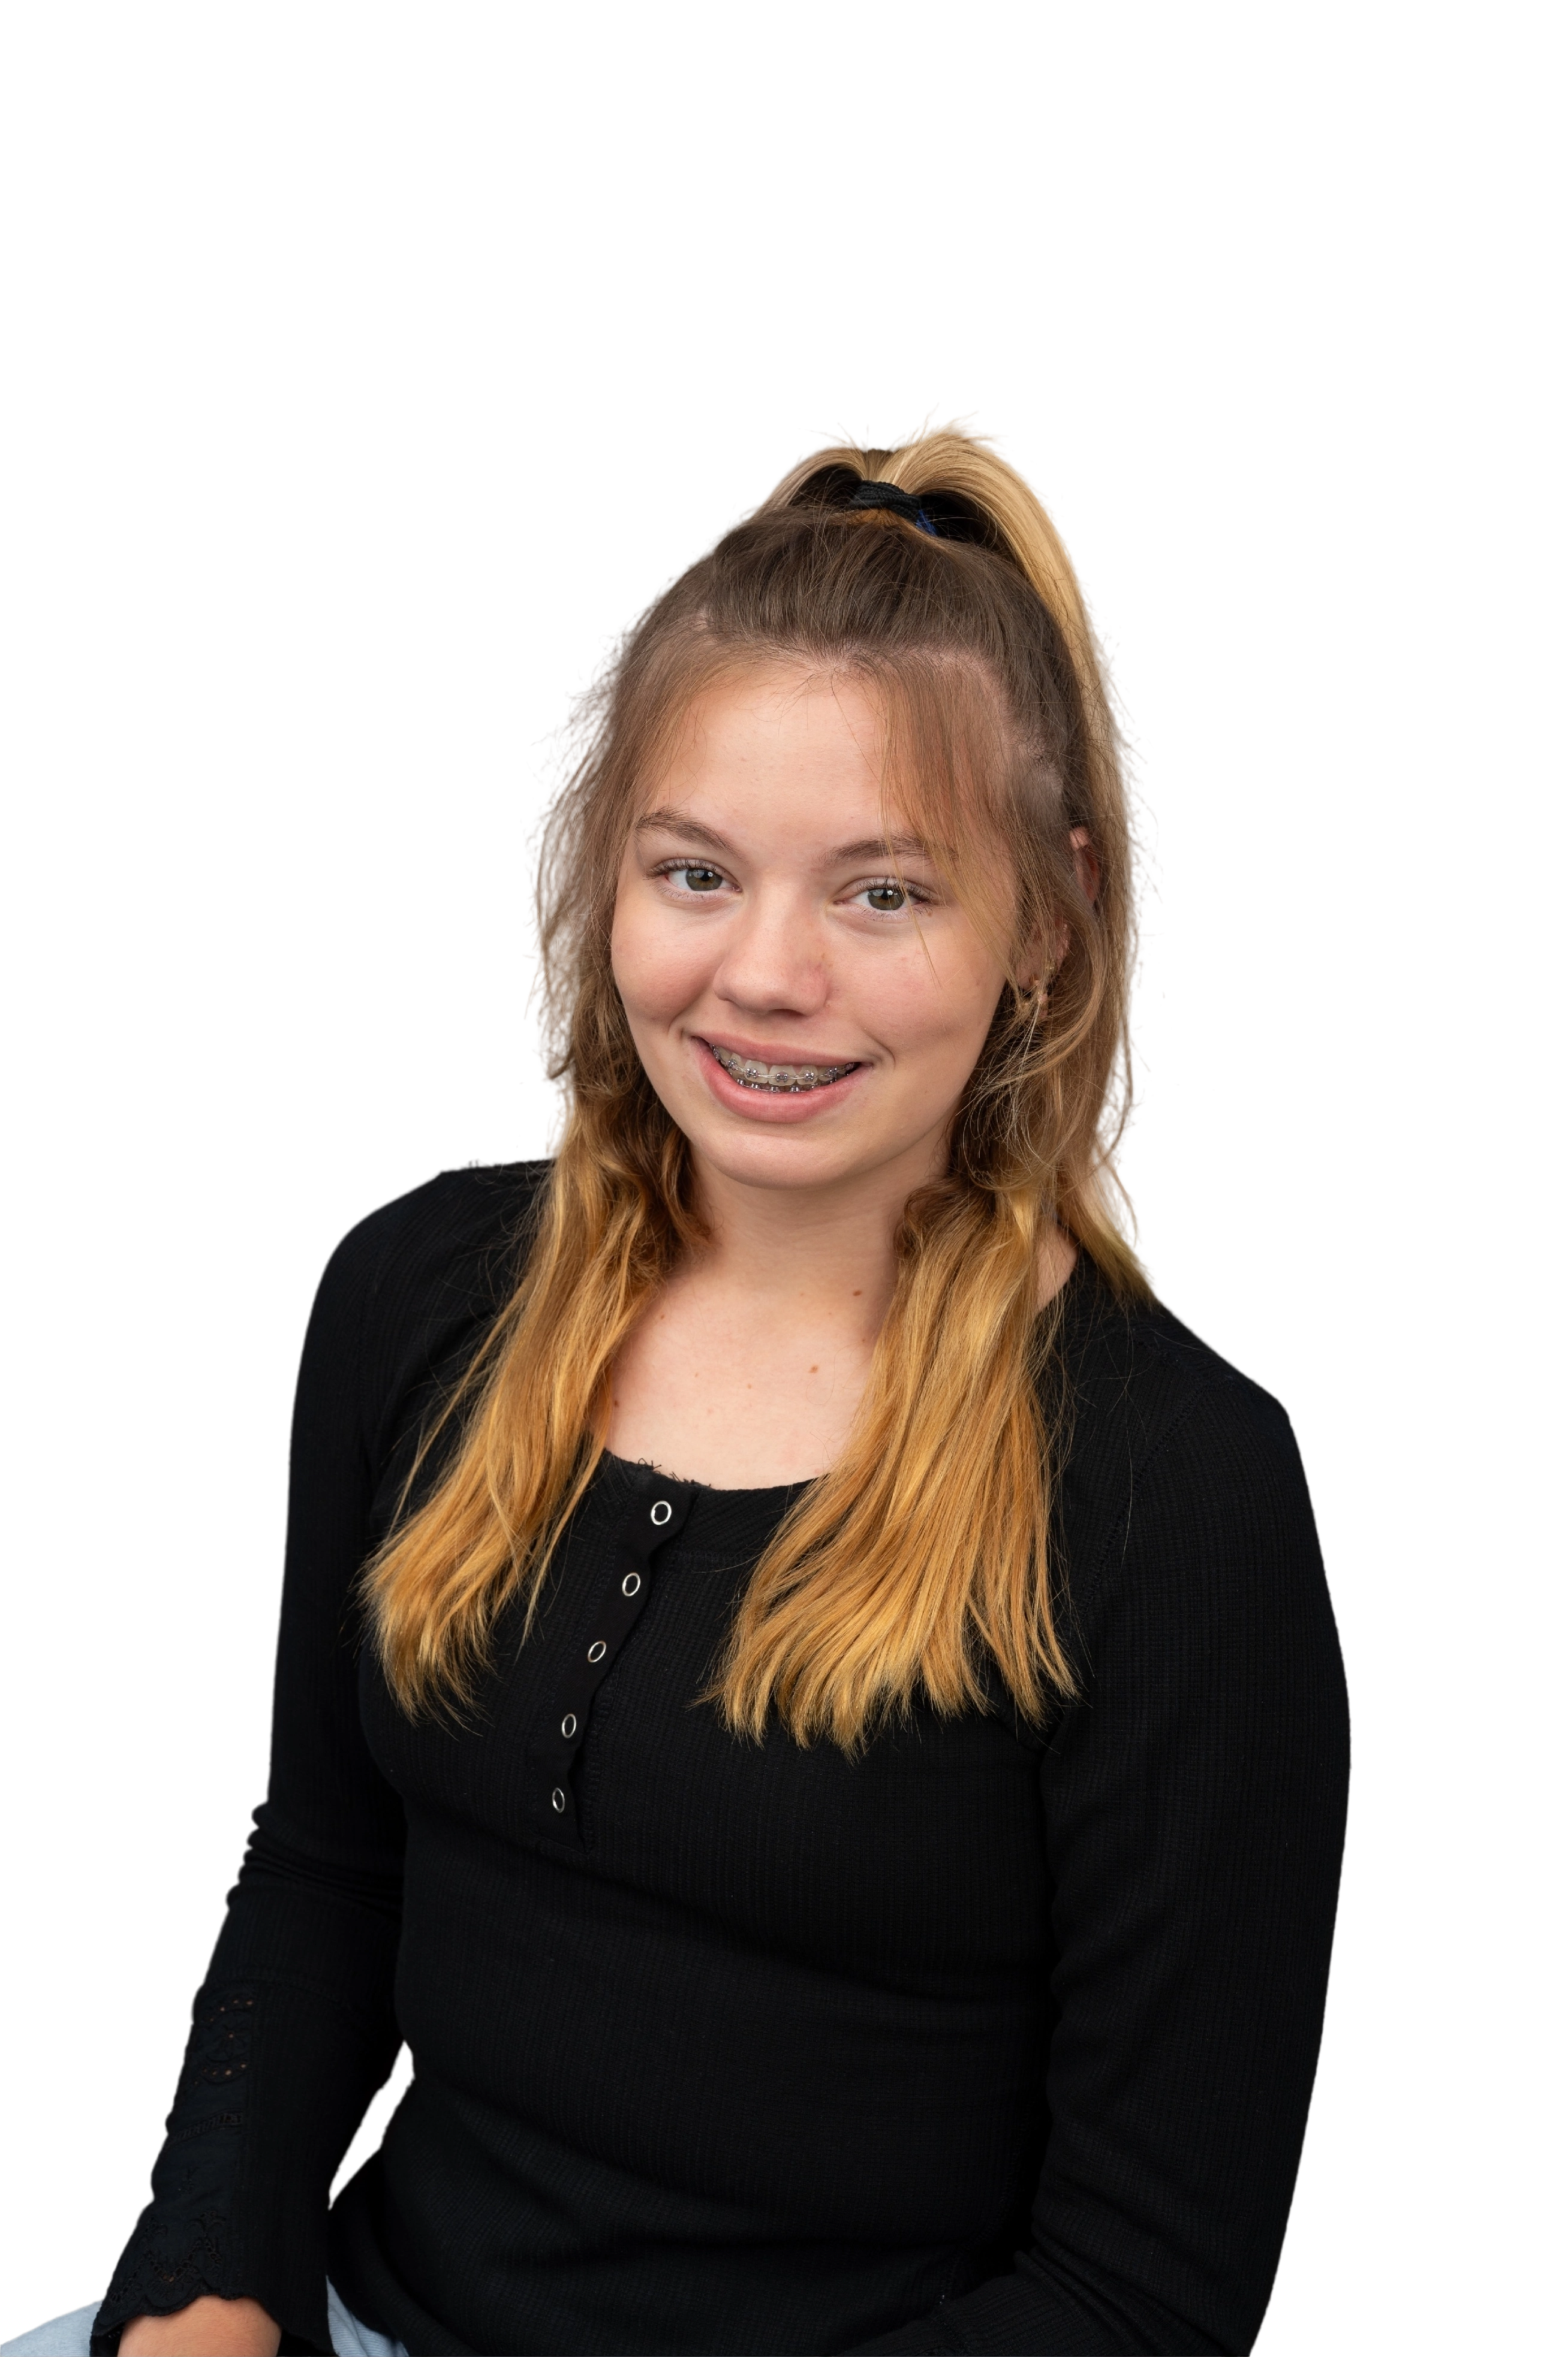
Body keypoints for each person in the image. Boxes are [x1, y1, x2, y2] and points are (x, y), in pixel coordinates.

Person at [21, 412, 1350, 2357]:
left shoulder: (1176, 1484)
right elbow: (323, 1877)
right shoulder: (416, 1290)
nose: (764, 975)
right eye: (697, 872)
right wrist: (199, 2299)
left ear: (1049, 918)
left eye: (883, 893)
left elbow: (1141, 2294)